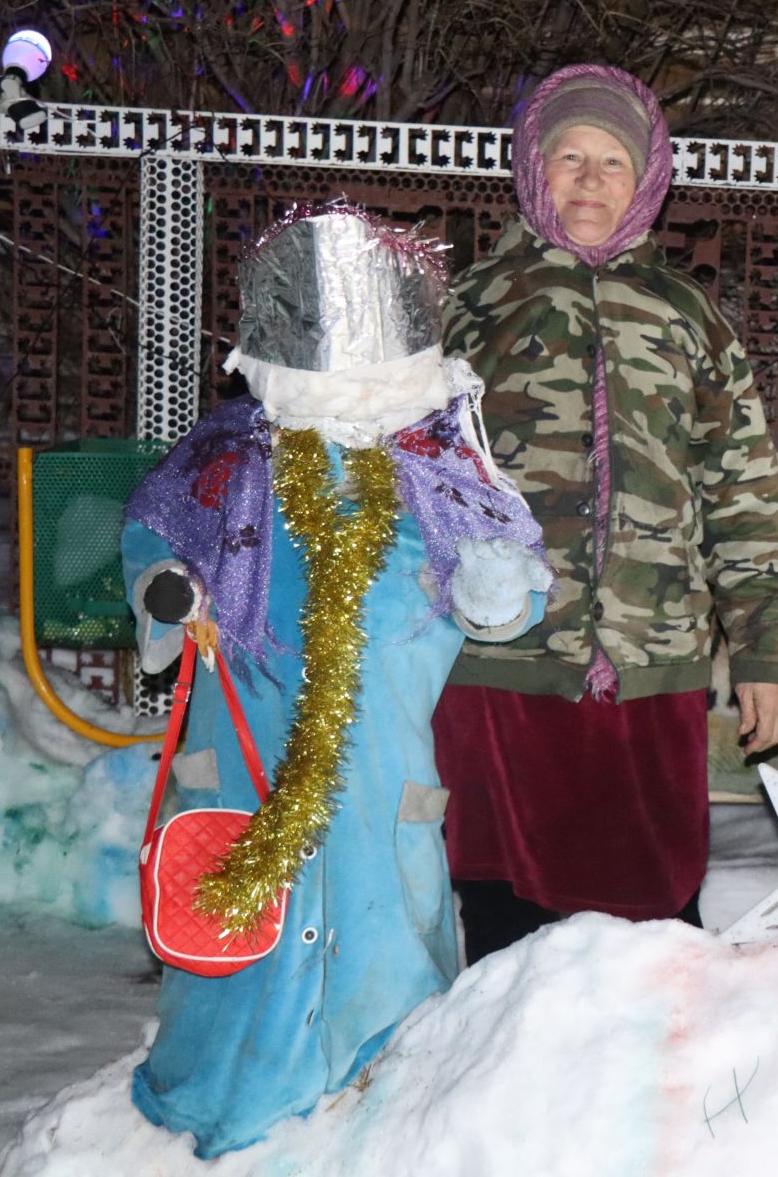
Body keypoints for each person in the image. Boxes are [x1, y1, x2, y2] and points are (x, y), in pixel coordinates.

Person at [122, 205, 550, 1156]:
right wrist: (162, 586)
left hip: (380, 766)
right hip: (247, 756)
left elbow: (514, 586)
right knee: (245, 941)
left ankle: (382, 1105)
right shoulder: (228, 461)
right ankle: (232, 1084)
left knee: (385, 931)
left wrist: (496, 592)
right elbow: (154, 534)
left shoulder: (439, 468)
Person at [433, 63, 778, 963]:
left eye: (612, 162)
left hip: (650, 663)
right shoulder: (468, 311)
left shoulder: (688, 317)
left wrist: (762, 650)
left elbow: (741, 493)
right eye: (570, 157)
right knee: (505, 930)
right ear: (532, 168)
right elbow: (406, 480)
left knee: (653, 928)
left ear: (645, 183)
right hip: (502, 663)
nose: (591, 180)